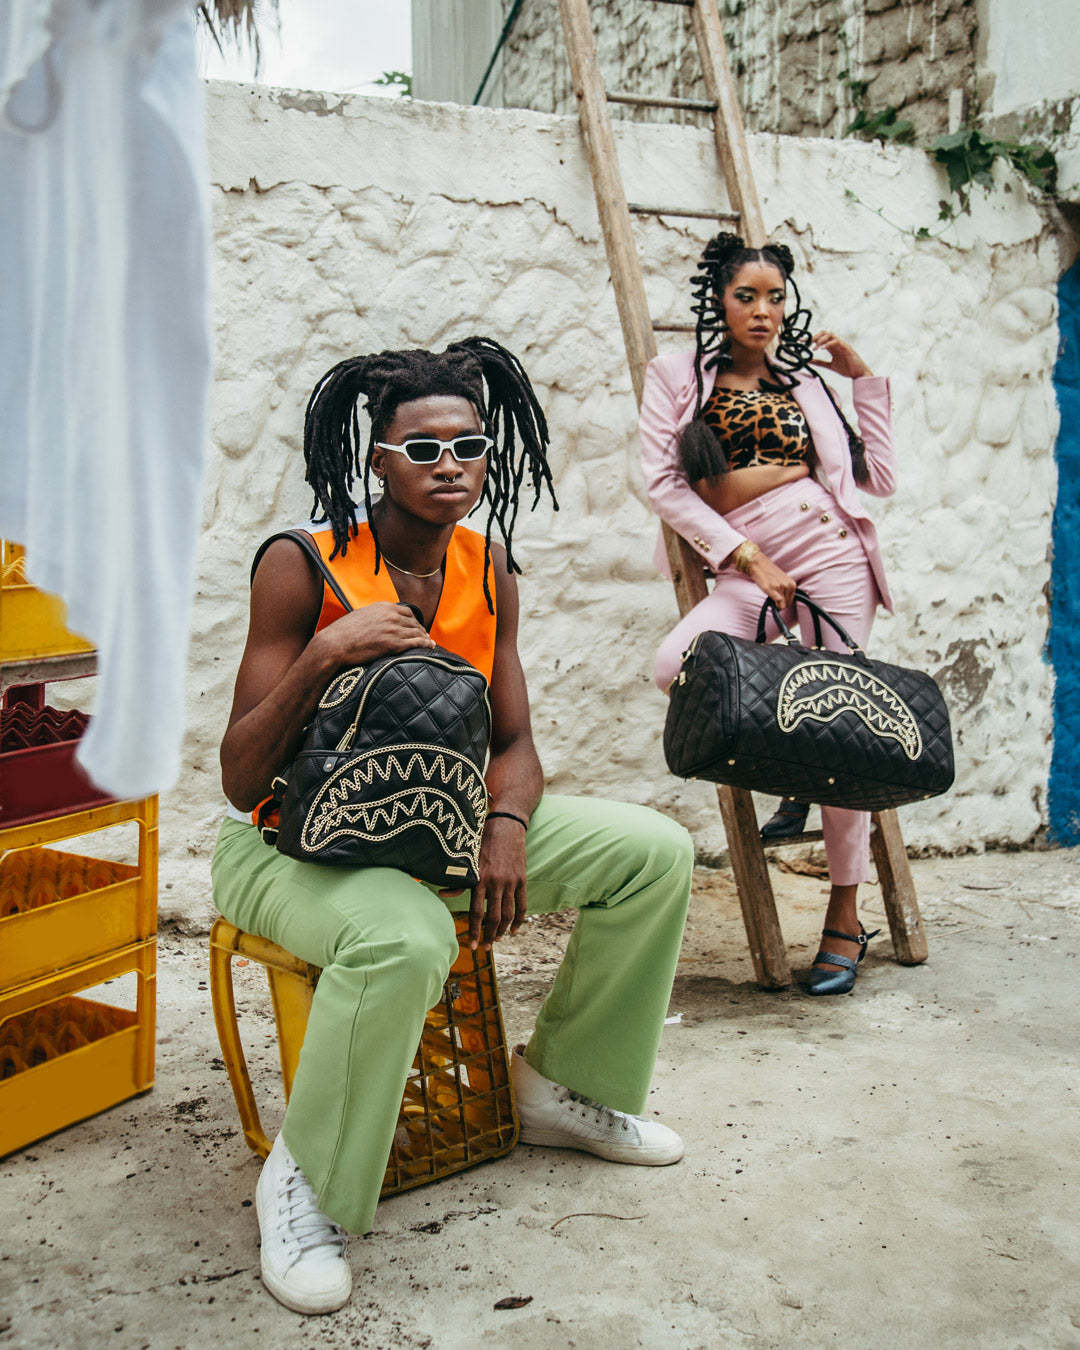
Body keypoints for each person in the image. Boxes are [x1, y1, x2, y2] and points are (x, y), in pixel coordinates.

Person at [214, 337, 694, 1315]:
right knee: (405, 938)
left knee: (654, 852)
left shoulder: (488, 567)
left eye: (469, 447)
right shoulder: (303, 565)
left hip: (442, 824)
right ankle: (305, 1182)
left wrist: (506, 823)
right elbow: (238, 776)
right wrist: (327, 653)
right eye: (423, 449)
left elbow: (514, 740)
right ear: (378, 461)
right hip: (287, 843)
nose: (450, 466)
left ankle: (559, 1088)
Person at [639, 233, 897, 997]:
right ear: (719, 301)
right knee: (677, 665)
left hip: (831, 554)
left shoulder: (807, 382)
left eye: (776, 297)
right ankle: (794, 770)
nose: (763, 310)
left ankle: (845, 918)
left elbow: (879, 479)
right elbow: (664, 484)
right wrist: (747, 556)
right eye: (746, 296)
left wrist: (863, 379)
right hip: (750, 567)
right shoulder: (677, 376)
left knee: (846, 730)